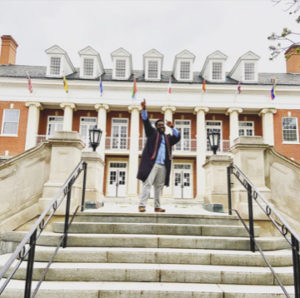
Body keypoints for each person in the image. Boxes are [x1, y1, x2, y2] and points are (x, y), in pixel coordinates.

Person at [137, 99, 181, 212]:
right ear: (156, 127)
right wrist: (144, 110)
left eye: (163, 125)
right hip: (152, 163)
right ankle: (142, 205)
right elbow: (146, 123)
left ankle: (157, 207)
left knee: (158, 187)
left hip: (163, 165)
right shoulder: (152, 134)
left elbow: (177, 137)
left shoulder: (167, 138)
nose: (162, 126)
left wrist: (172, 127)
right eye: (159, 125)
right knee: (147, 184)